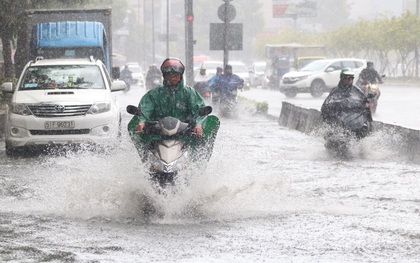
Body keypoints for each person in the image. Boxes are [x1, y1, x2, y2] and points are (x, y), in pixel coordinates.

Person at [130, 57, 206, 137]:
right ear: (164, 75)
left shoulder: (190, 93)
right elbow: (144, 110)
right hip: (157, 134)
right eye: (169, 74)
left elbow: (199, 111)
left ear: (181, 75)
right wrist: (141, 122)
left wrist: (198, 125)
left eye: (176, 74)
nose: (173, 77)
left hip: (184, 134)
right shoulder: (154, 94)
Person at [321, 67, 372, 139]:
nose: (348, 80)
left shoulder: (357, 91)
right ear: (341, 78)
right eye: (346, 78)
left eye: (350, 79)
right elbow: (326, 105)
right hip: (339, 120)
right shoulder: (335, 91)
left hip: (354, 121)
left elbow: (364, 101)